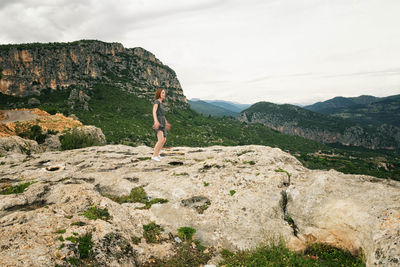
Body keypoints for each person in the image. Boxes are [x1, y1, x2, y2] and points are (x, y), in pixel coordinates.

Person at [152, 89, 171, 161]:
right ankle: (154, 156)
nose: (164, 94)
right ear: (159, 94)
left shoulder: (161, 103)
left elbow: (163, 115)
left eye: (164, 93)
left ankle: (157, 154)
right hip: (158, 122)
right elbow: (154, 112)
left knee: (164, 139)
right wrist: (156, 121)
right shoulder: (157, 101)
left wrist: (166, 122)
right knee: (160, 139)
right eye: (162, 93)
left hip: (162, 122)